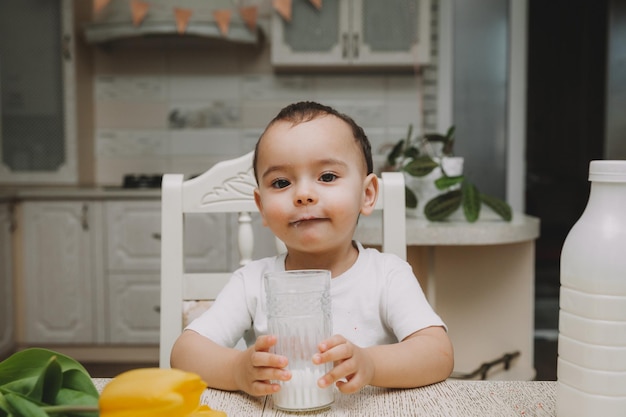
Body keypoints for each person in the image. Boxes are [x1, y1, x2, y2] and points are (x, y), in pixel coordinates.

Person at [170, 101, 454, 396]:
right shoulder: (253, 281)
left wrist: (370, 364)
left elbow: (438, 353)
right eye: (281, 183)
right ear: (262, 208)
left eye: (327, 177)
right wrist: (237, 371)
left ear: (366, 194)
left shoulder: (387, 275)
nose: (303, 194)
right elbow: (184, 353)